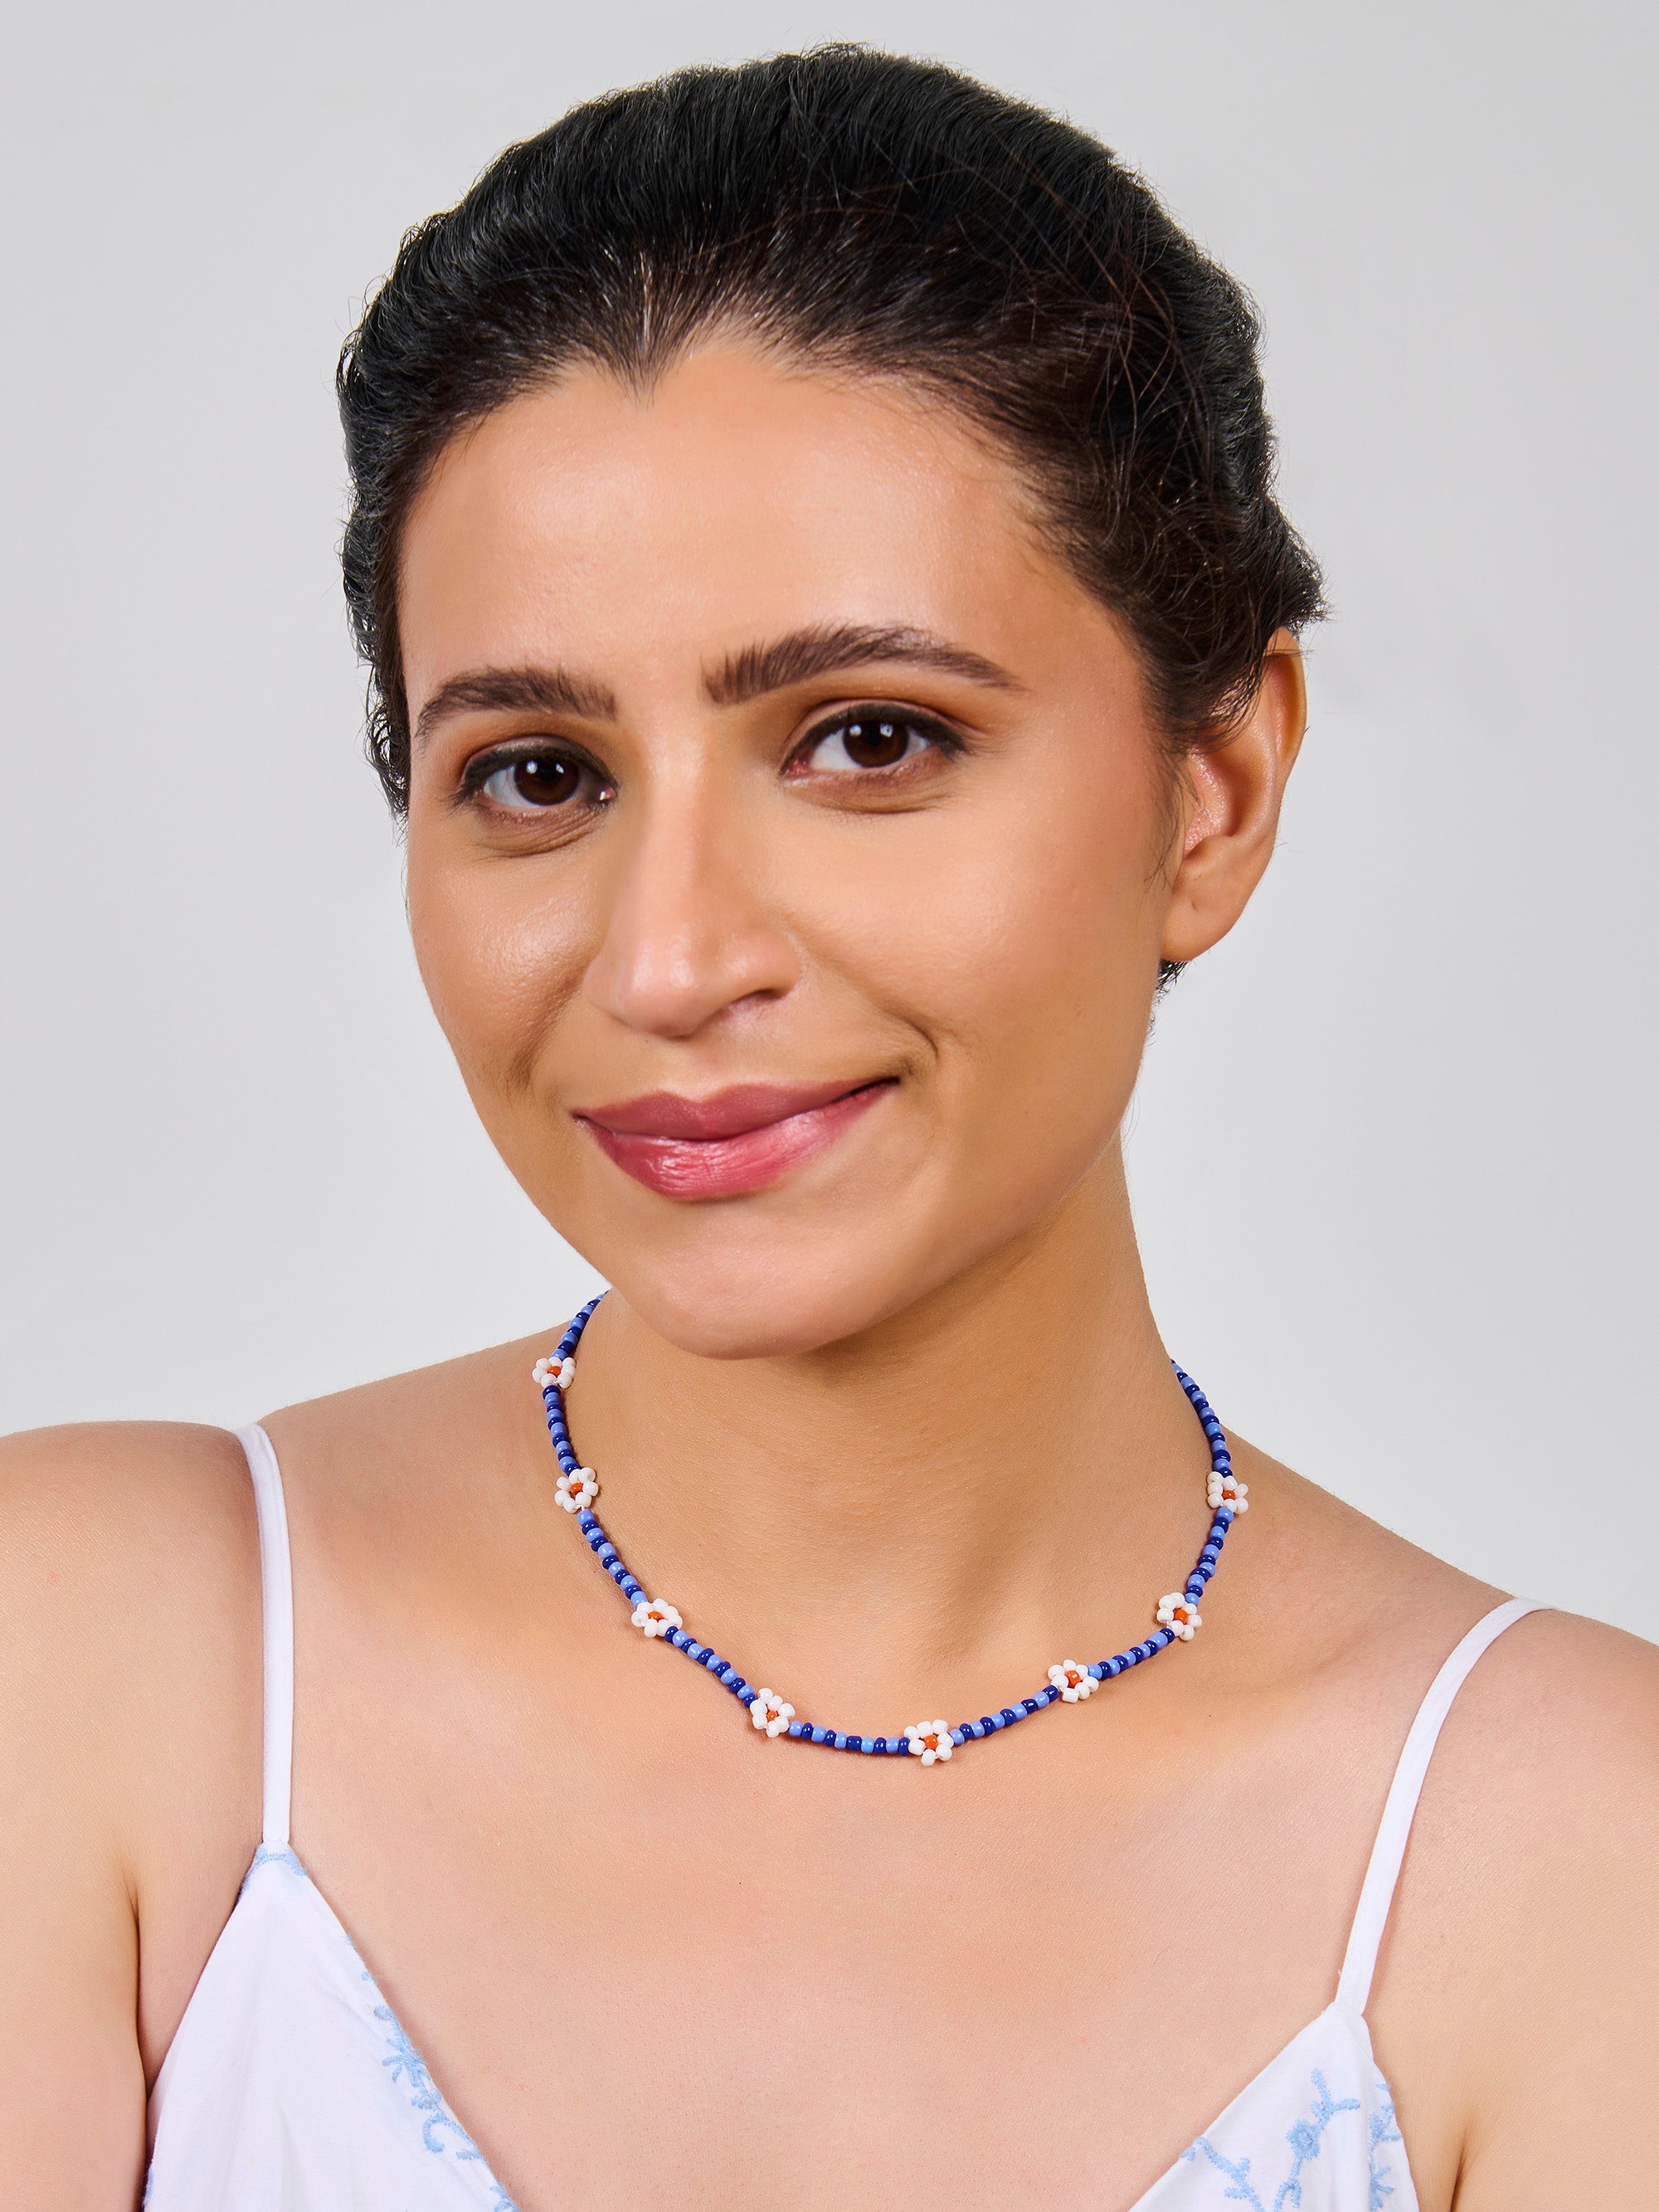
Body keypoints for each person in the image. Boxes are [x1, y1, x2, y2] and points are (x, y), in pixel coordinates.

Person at [2, 44, 1652, 2212]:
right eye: (538, 775)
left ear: (1216, 790)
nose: (671, 957)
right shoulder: (98, 1660)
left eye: (870, 739)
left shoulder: (1566, 1862)